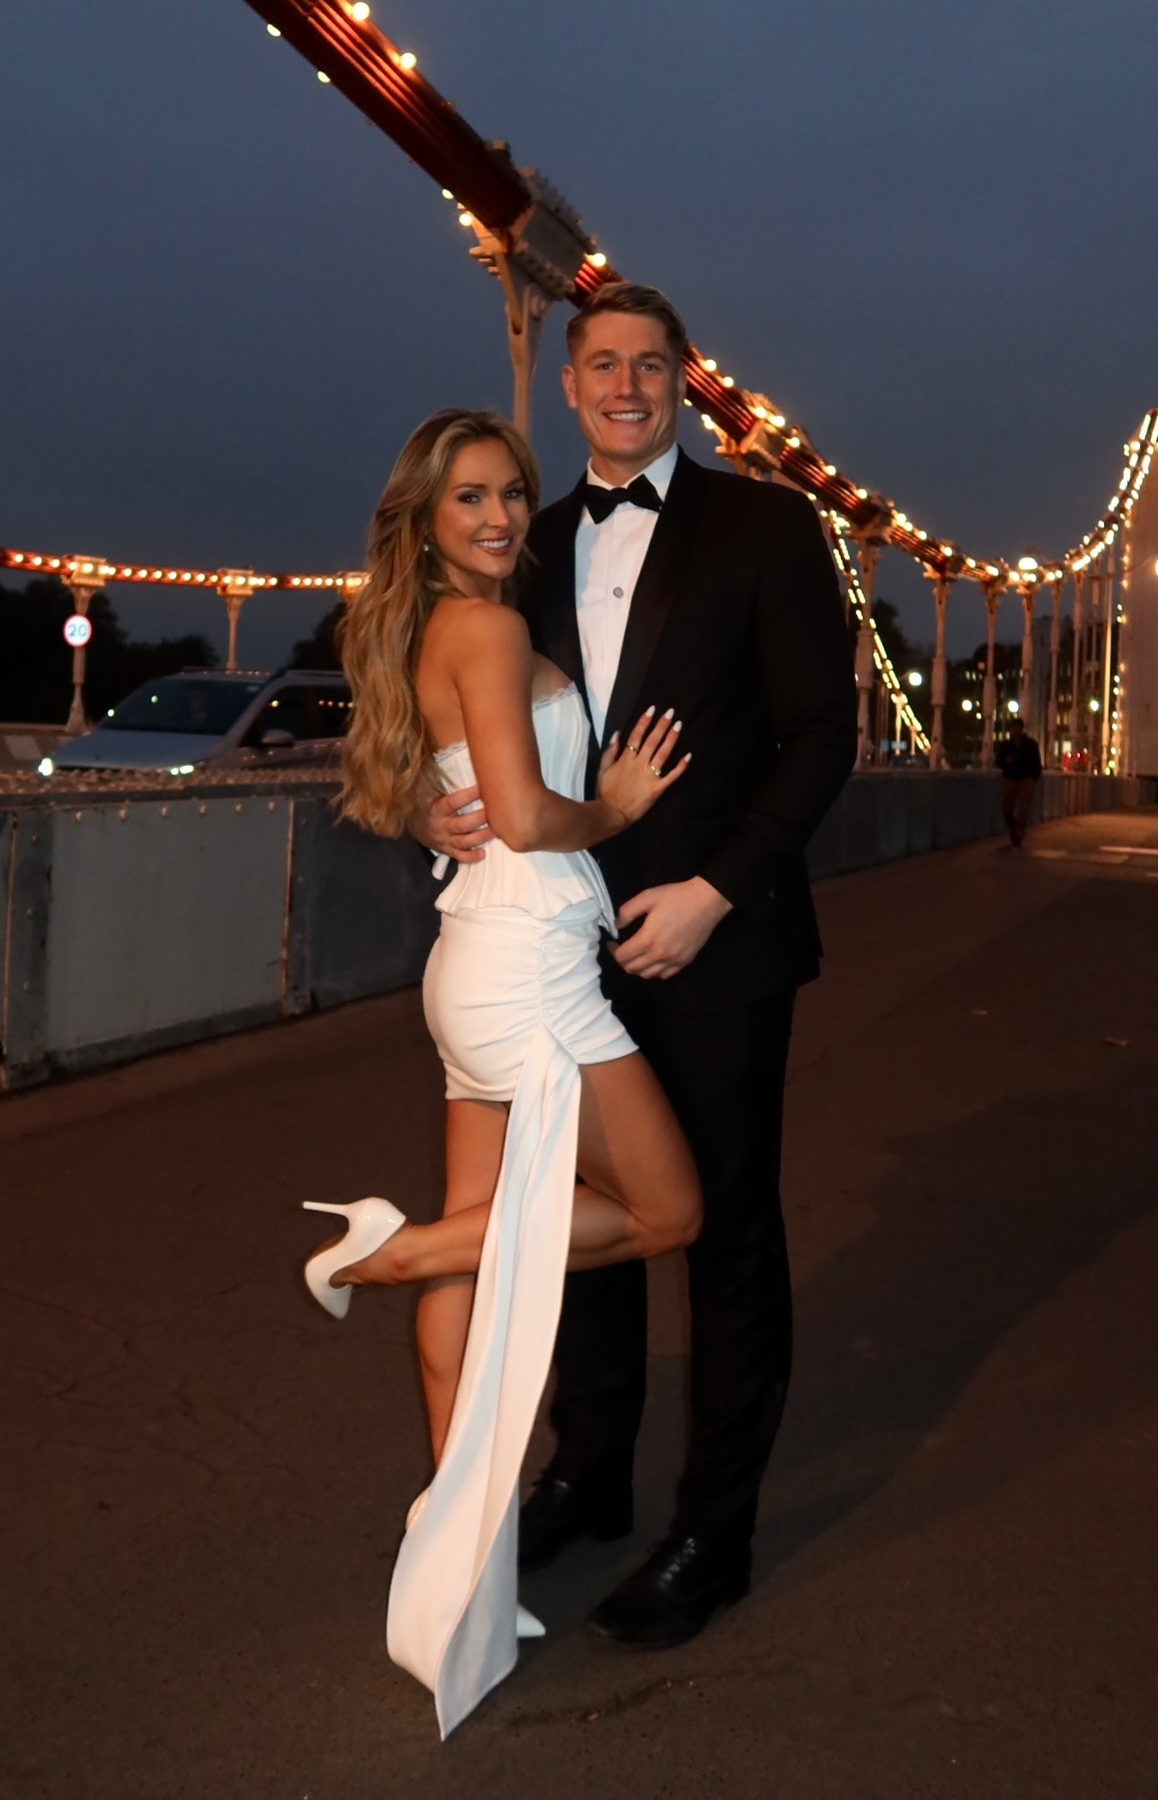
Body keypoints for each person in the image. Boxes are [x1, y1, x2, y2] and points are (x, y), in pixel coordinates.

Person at [427, 284, 856, 1655]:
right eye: (601, 363)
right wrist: (439, 804)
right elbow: (464, 716)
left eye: (651, 363)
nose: (626, 383)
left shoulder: (768, 526)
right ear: (569, 385)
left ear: (687, 381)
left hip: (714, 950)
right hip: (560, 946)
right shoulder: (525, 545)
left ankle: (710, 1534)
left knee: (724, 1233)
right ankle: (588, 1473)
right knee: (577, 1234)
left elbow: (818, 737)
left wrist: (717, 893)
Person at [300, 407, 708, 1737]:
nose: (493, 515)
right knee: (667, 1212)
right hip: (532, 965)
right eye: (468, 497)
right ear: (425, 518)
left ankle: (463, 1562)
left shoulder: (429, 630)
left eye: (507, 494)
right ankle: (384, 1254)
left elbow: (441, 789)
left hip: (468, 963)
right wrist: (626, 813)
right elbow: (531, 819)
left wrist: (435, 800)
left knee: (488, 1262)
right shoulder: (484, 629)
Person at [995, 715, 1043, 846]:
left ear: (1022, 729)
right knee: (1006, 808)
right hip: (1010, 778)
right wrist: (1006, 761)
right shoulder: (1005, 745)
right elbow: (998, 762)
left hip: (1026, 779)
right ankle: (1014, 826)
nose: (1015, 730)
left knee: (1024, 808)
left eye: (1018, 728)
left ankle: (1018, 834)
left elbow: (1037, 763)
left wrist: (1034, 779)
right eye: (1013, 728)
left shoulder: (1031, 744)